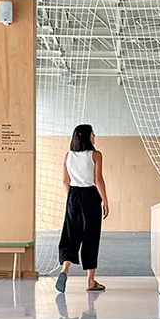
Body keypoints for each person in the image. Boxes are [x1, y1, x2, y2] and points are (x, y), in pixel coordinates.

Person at [56, 123, 109, 292]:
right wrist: (105, 201)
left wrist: (72, 198)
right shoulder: (96, 155)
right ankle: (90, 281)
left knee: (70, 234)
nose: (94, 136)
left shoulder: (68, 156)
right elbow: (98, 179)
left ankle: (65, 269)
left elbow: (65, 181)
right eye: (92, 133)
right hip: (91, 196)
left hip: (73, 195)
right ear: (87, 136)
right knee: (91, 236)